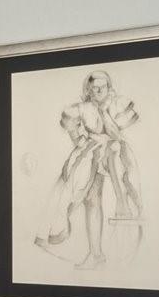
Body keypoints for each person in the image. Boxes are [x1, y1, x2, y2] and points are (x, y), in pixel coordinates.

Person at [33, 68, 141, 270]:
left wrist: (104, 112)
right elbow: (72, 129)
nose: (98, 91)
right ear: (89, 90)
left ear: (109, 87)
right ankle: (95, 254)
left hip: (114, 153)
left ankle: (124, 217)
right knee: (91, 200)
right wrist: (82, 142)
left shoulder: (117, 104)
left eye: (102, 87)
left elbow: (115, 135)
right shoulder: (83, 108)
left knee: (120, 181)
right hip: (92, 152)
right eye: (94, 88)